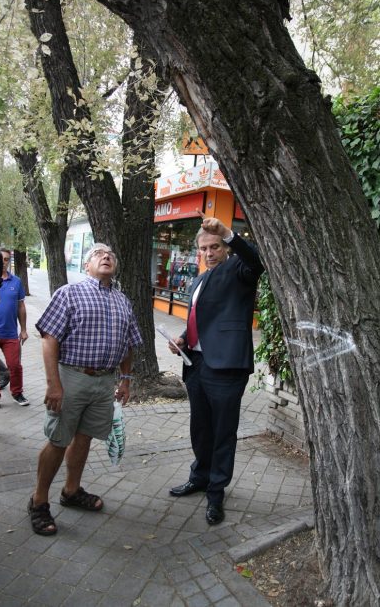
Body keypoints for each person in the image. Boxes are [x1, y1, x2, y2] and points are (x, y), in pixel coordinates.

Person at [27, 243, 142, 536]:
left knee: (85, 436)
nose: (106, 256)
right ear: (86, 265)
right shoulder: (69, 293)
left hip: (104, 382)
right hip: (72, 377)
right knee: (58, 439)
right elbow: (49, 339)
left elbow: (130, 344)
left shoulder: (123, 301)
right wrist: (54, 384)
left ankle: (71, 491)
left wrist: (125, 380)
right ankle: (39, 501)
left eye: (110, 255)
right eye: (98, 254)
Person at [168, 211, 264, 525]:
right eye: (204, 249)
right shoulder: (199, 279)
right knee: (201, 428)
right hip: (195, 365)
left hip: (226, 367)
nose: (209, 253)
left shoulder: (239, 268)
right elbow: (200, 321)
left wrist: (227, 232)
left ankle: (216, 492)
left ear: (224, 247)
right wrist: (182, 338)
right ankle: (199, 476)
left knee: (223, 433)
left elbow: (257, 260)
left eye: (215, 247)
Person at [0, 248, 29, 409]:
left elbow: (21, 307)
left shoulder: (16, 281)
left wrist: (23, 330)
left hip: (10, 333)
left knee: (15, 365)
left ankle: (17, 392)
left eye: (7, 259)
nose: (4, 262)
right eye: (1, 259)